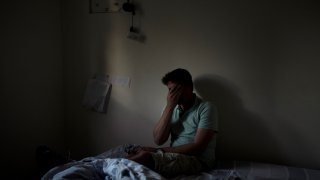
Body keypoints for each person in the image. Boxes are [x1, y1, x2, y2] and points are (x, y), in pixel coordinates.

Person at [127, 68, 218, 178]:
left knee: (145, 157)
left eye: (176, 90)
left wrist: (156, 151)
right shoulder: (170, 108)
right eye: (170, 90)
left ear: (189, 87)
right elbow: (158, 139)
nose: (172, 94)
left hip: (198, 160)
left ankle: (110, 166)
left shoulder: (206, 108)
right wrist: (170, 107)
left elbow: (198, 148)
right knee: (134, 153)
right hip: (173, 155)